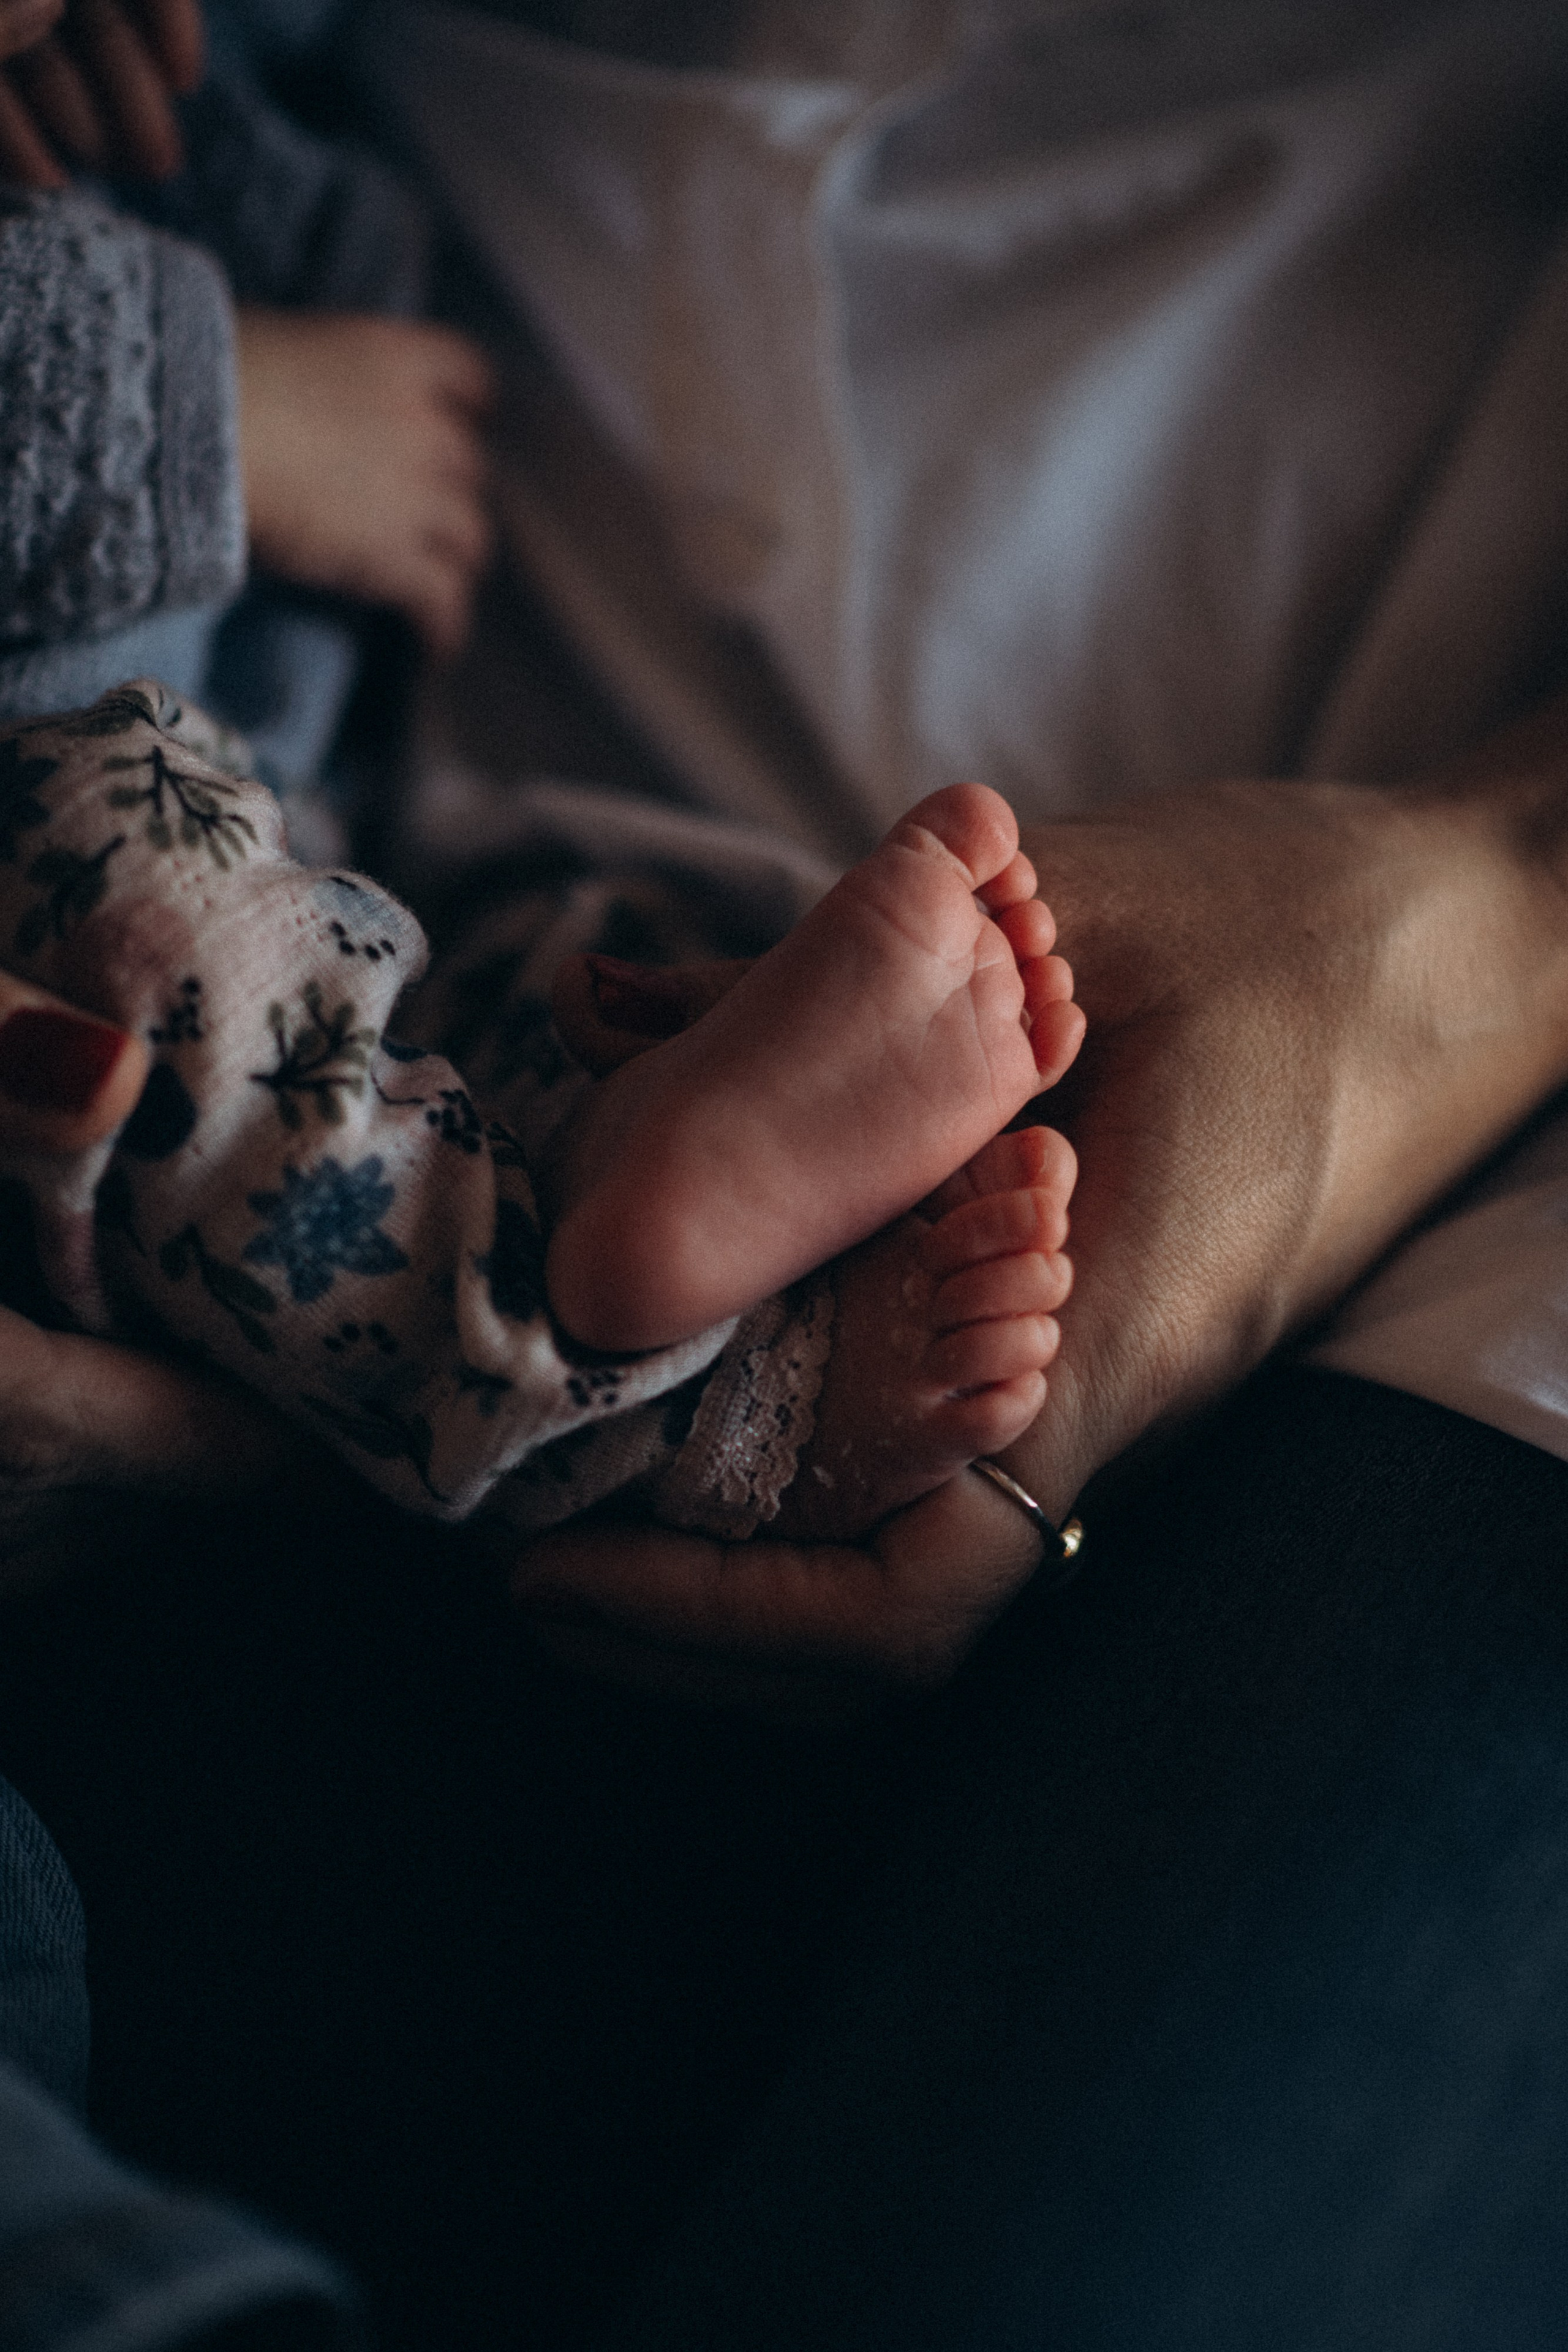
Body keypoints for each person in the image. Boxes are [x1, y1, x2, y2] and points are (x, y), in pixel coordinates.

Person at [2, 680, 1081, 1542]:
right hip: (285, 846)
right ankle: (738, 1390)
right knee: (120, 869)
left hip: (406, 897)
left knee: (515, 1006)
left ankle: (668, 1272)